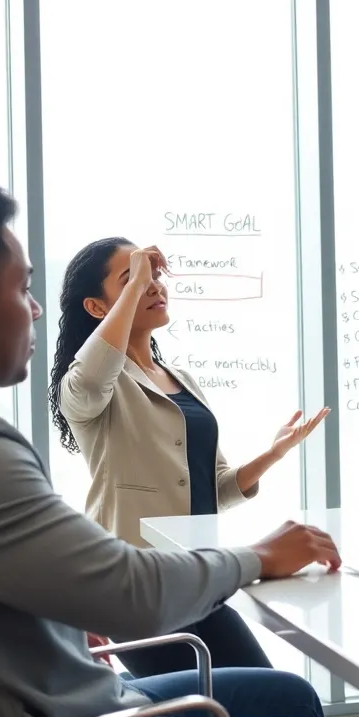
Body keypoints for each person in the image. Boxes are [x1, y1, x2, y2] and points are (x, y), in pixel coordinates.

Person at [0, 181, 359, 717]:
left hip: (62, 691)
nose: (34, 310)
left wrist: (275, 453)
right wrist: (258, 557)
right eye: (24, 289)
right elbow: (132, 593)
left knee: (292, 695)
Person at [47, 236, 329, 677]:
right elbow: (90, 378)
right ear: (98, 309)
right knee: (216, 712)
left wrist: (274, 453)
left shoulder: (181, 378)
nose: (154, 285)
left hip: (198, 579)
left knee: (271, 693)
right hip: (138, 589)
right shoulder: (89, 386)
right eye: (134, 279)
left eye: (155, 275)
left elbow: (215, 487)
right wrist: (141, 273)